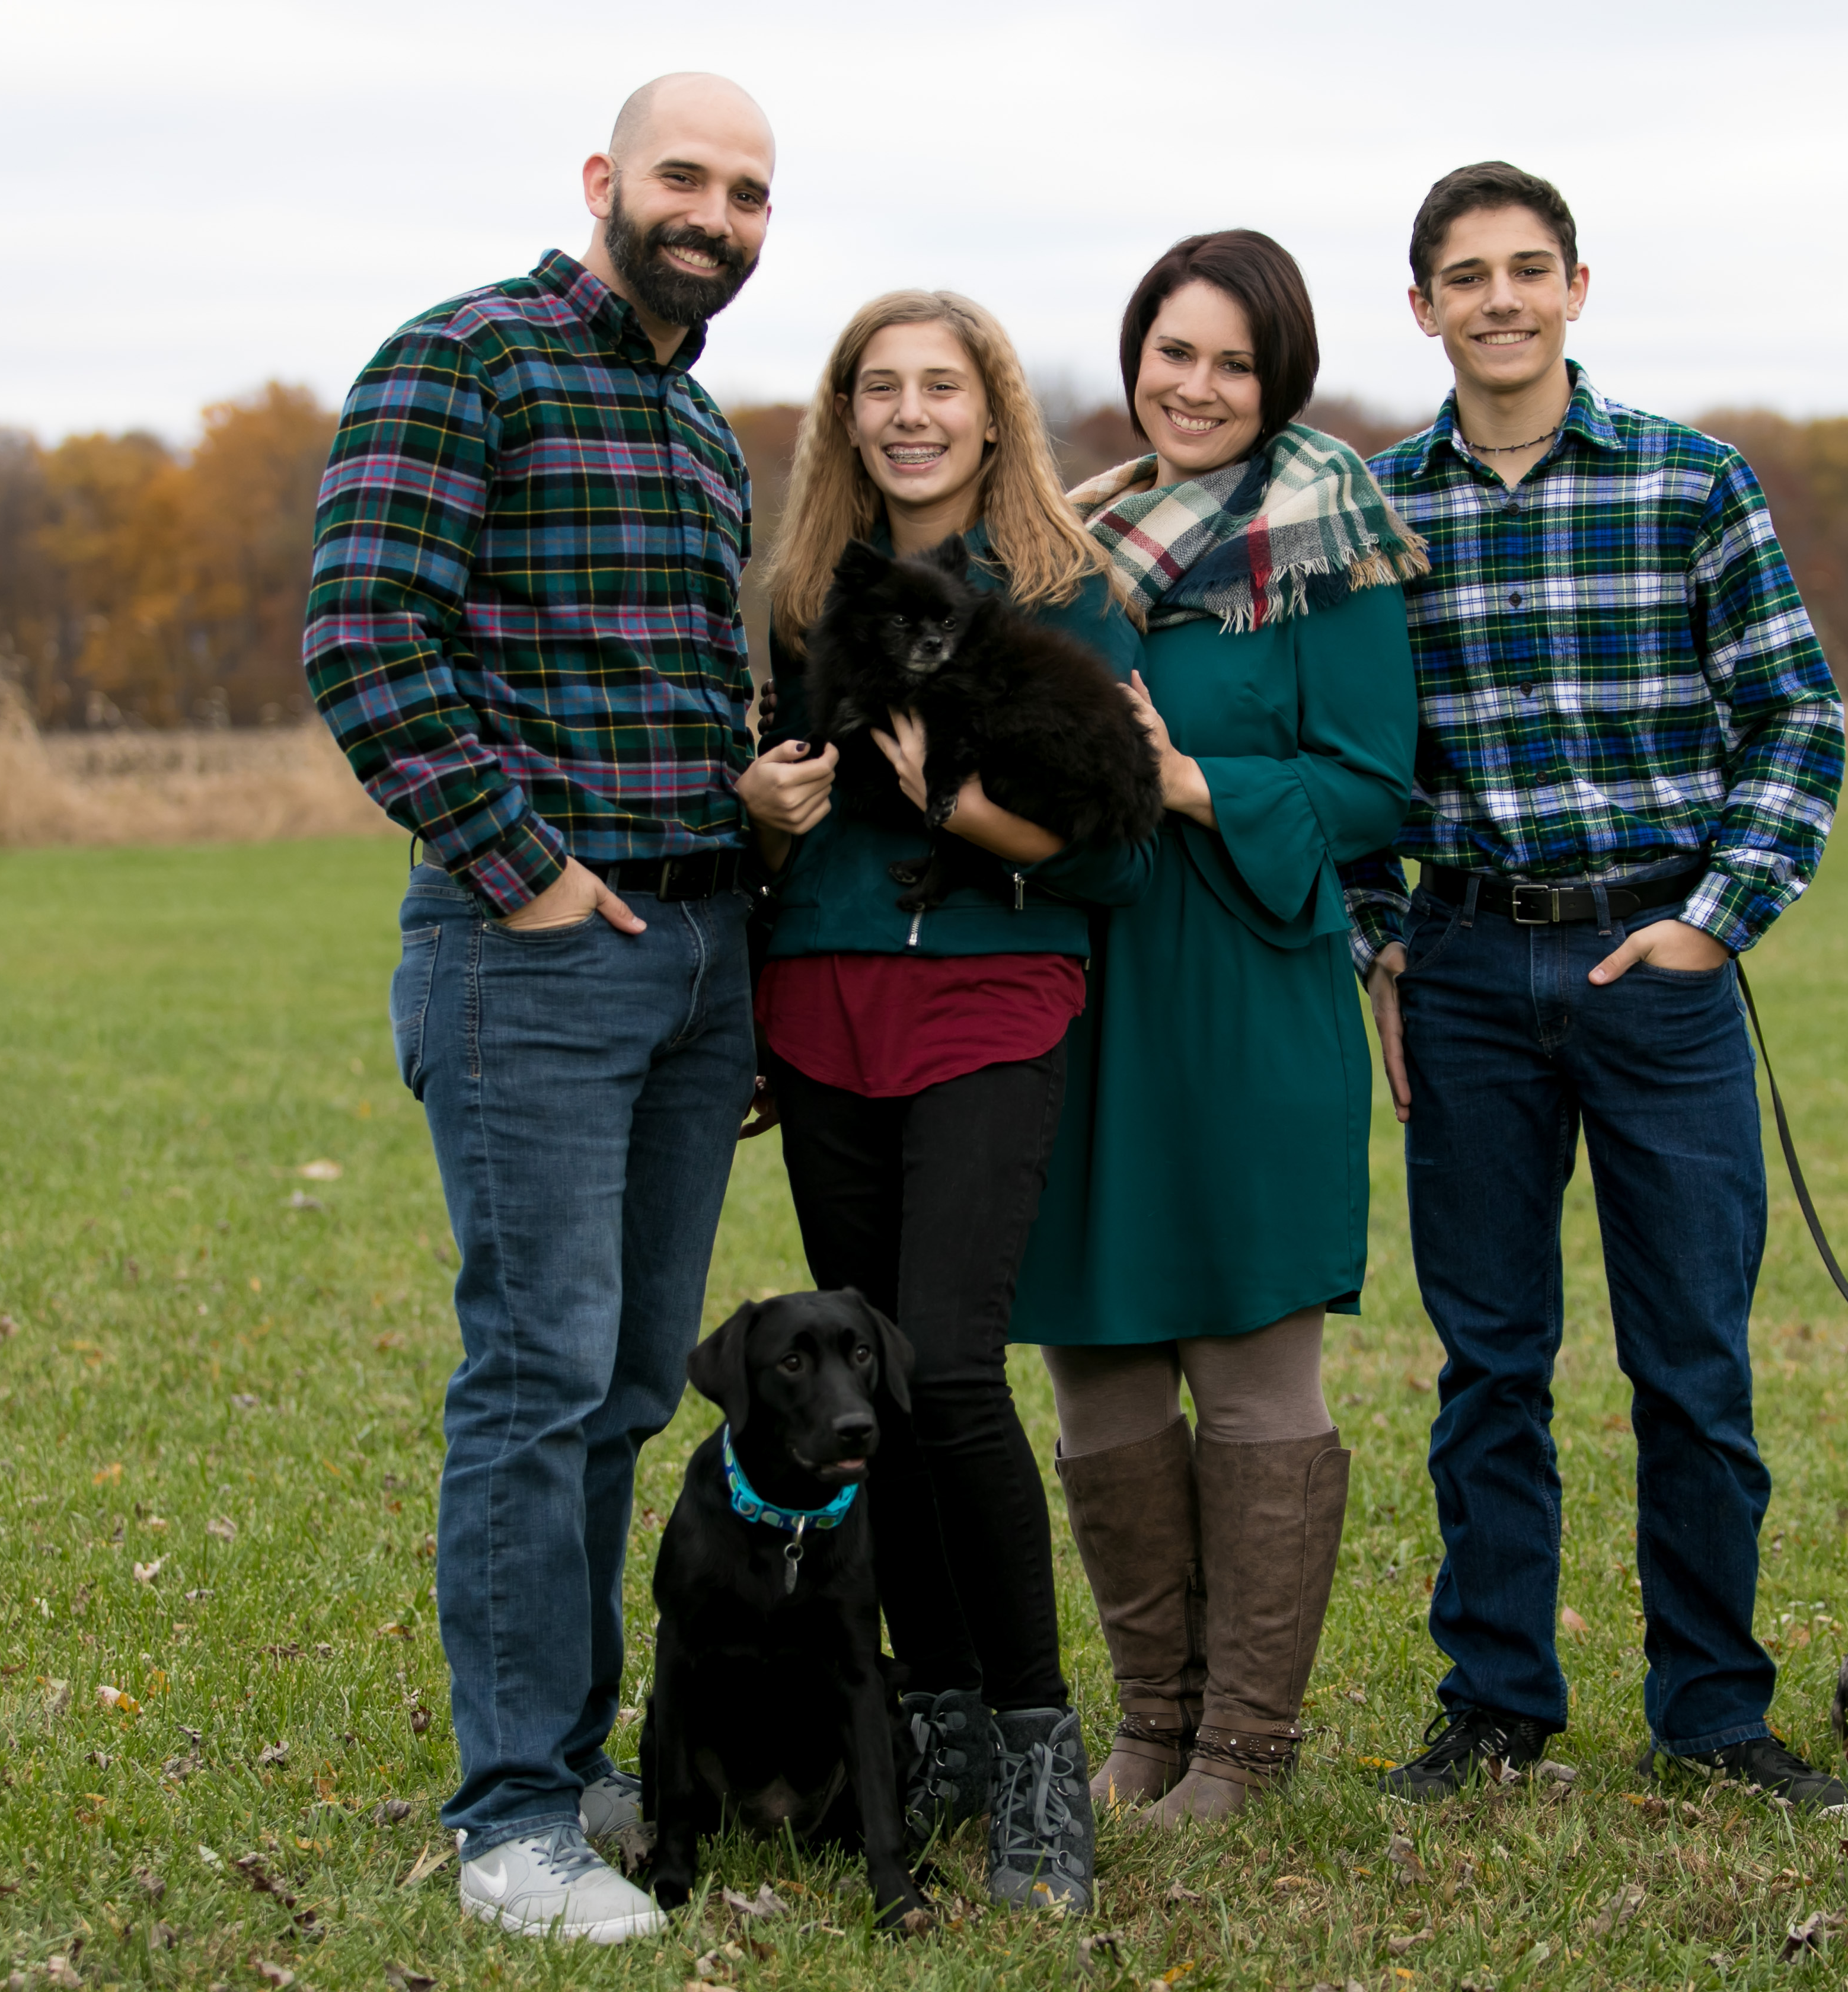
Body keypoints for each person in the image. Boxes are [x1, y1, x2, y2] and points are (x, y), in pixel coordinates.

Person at [302, 74, 796, 1941]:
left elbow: (681, 700)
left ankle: (572, 1753)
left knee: (615, 1391)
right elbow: (364, 636)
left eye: (750, 193)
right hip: (534, 962)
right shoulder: (465, 361)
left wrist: (736, 866)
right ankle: (510, 1824)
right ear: (604, 181)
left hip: (691, 964)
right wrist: (531, 872)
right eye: (687, 177)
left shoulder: (697, 424)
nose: (718, 215)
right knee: (533, 1381)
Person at [1339, 162, 1848, 1812]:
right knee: (1489, 1363)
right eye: (1465, 277)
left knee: (1692, 1361)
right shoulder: (1370, 512)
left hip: (1658, 959)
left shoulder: (1692, 483)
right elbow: (1342, 757)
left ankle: (1713, 1715)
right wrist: (1382, 941)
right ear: (1421, 307)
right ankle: (1497, 1706)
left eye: (1528, 270)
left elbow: (1797, 716)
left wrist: (1718, 918)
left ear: (1577, 287)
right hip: (1473, 960)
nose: (1499, 299)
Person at [743, 289, 1147, 1911]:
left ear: (993, 414)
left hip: (990, 998)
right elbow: (769, 821)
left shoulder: (1066, 595)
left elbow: (1118, 846)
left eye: (943, 387)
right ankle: (935, 1717)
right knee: (868, 1394)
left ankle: (1044, 1751)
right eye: (880, 389)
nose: (912, 414)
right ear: (847, 416)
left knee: (956, 1370)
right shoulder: (796, 597)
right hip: (822, 1003)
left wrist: (962, 811)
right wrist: (763, 814)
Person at [1017, 230, 1422, 1827]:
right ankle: (1149, 1727)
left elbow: (1379, 791)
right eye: (1171, 353)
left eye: (1231, 364)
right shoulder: (1070, 538)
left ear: (1282, 381)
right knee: (1103, 1372)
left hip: (1251, 981)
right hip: (1085, 989)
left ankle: (1246, 1746)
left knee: (1254, 1373)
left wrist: (1191, 780)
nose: (1193, 388)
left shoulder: (1331, 535)